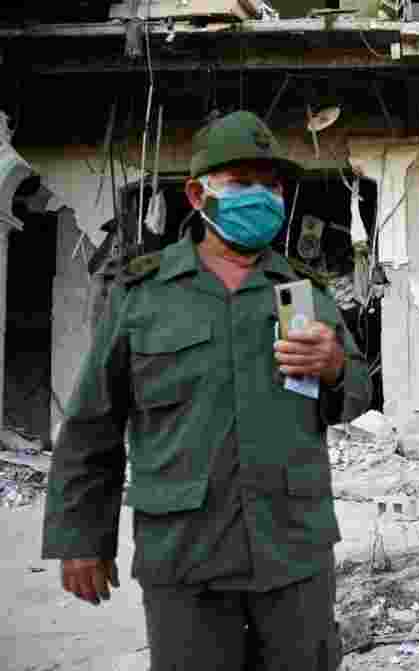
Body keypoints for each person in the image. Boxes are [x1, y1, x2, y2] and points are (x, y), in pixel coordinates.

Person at [42, 110, 372, 671]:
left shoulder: (304, 292)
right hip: (185, 557)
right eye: (243, 183)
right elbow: (93, 425)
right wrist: (81, 539)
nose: (263, 197)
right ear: (197, 194)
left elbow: (357, 397)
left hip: (292, 553)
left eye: (272, 185)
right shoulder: (142, 293)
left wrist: (338, 367)